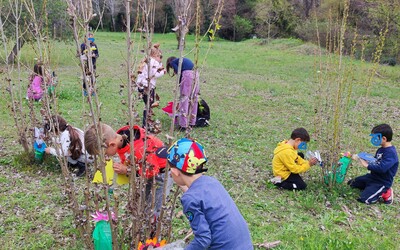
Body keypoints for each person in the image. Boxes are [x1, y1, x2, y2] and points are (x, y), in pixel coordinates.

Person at [156, 138, 253, 249]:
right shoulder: (211, 182)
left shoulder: (189, 199)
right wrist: (182, 183)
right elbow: (199, 197)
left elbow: (203, 240)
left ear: (174, 172)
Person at [114, 124, 173, 218]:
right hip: (145, 174)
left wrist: (128, 170)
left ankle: (152, 229)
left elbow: (152, 170)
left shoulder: (139, 146)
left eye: (104, 151)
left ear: (111, 144)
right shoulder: (121, 138)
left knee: (154, 207)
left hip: (161, 174)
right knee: (142, 203)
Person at [348, 124, 398, 204]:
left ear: (384, 138)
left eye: (375, 138)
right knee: (351, 183)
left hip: (382, 182)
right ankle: (371, 188)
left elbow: (382, 168)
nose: (373, 139)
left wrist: (367, 165)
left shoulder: (391, 153)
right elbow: (376, 161)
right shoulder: (381, 149)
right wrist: (364, 158)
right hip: (372, 177)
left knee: (364, 199)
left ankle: (386, 192)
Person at [136, 43, 166, 129]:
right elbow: (155, 74)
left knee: (147, 104)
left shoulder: (146, 60)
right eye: (160, 56)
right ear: (155, 55)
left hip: (141, 86)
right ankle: (145, 124)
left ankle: (146, 122)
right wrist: (162, 72)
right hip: (148, 86)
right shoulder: (153, 62)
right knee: (149, 105)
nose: (160, 59)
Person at [166, 57, 199, 130]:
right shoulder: (183, 60)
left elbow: (179, 72)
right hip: (196, 73)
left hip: (187, 75)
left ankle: (183, 125)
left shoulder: (173, 62)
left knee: (184, 99)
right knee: (193, 98)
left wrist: (179, 83)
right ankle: (192, 122)